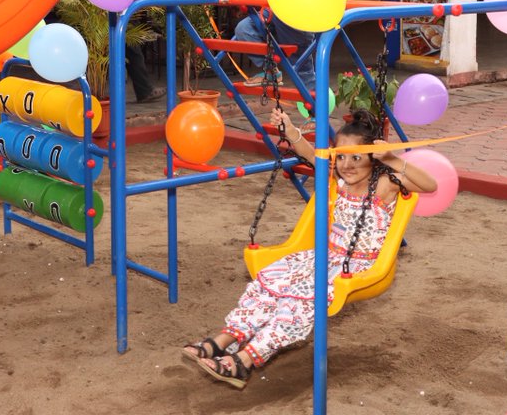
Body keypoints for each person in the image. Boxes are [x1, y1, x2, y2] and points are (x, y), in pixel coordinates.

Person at [180, 108, 436, 389]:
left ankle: (246, 359)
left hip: (358, 267)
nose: (347, 165)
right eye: (341, 156)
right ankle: (226, 340)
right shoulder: (337, 179)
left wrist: (393, 159)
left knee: (297, 302)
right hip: (324, 257)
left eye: (357, 157)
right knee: (268, 280)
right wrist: (290, 129)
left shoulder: (384, 184)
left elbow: (430, 184)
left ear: (373, 159)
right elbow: (311, 153)